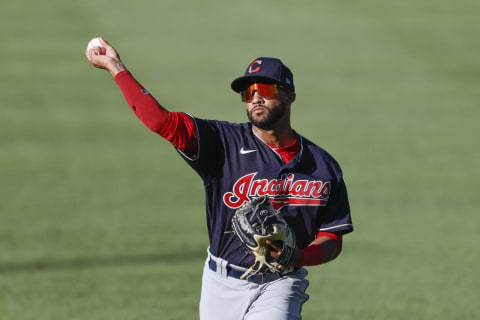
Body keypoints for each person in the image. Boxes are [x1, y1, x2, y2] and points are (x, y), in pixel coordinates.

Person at [86, 38, 353, 320]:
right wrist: (115, 66)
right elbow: (159, 121)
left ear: (290, 95)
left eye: (265, 89)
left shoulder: (322, 166)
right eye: (248, 92)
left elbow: (332, 238)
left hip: (281, 283)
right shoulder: (221, 143)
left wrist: (299, 258)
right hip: (220, 284)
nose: (255, 98)